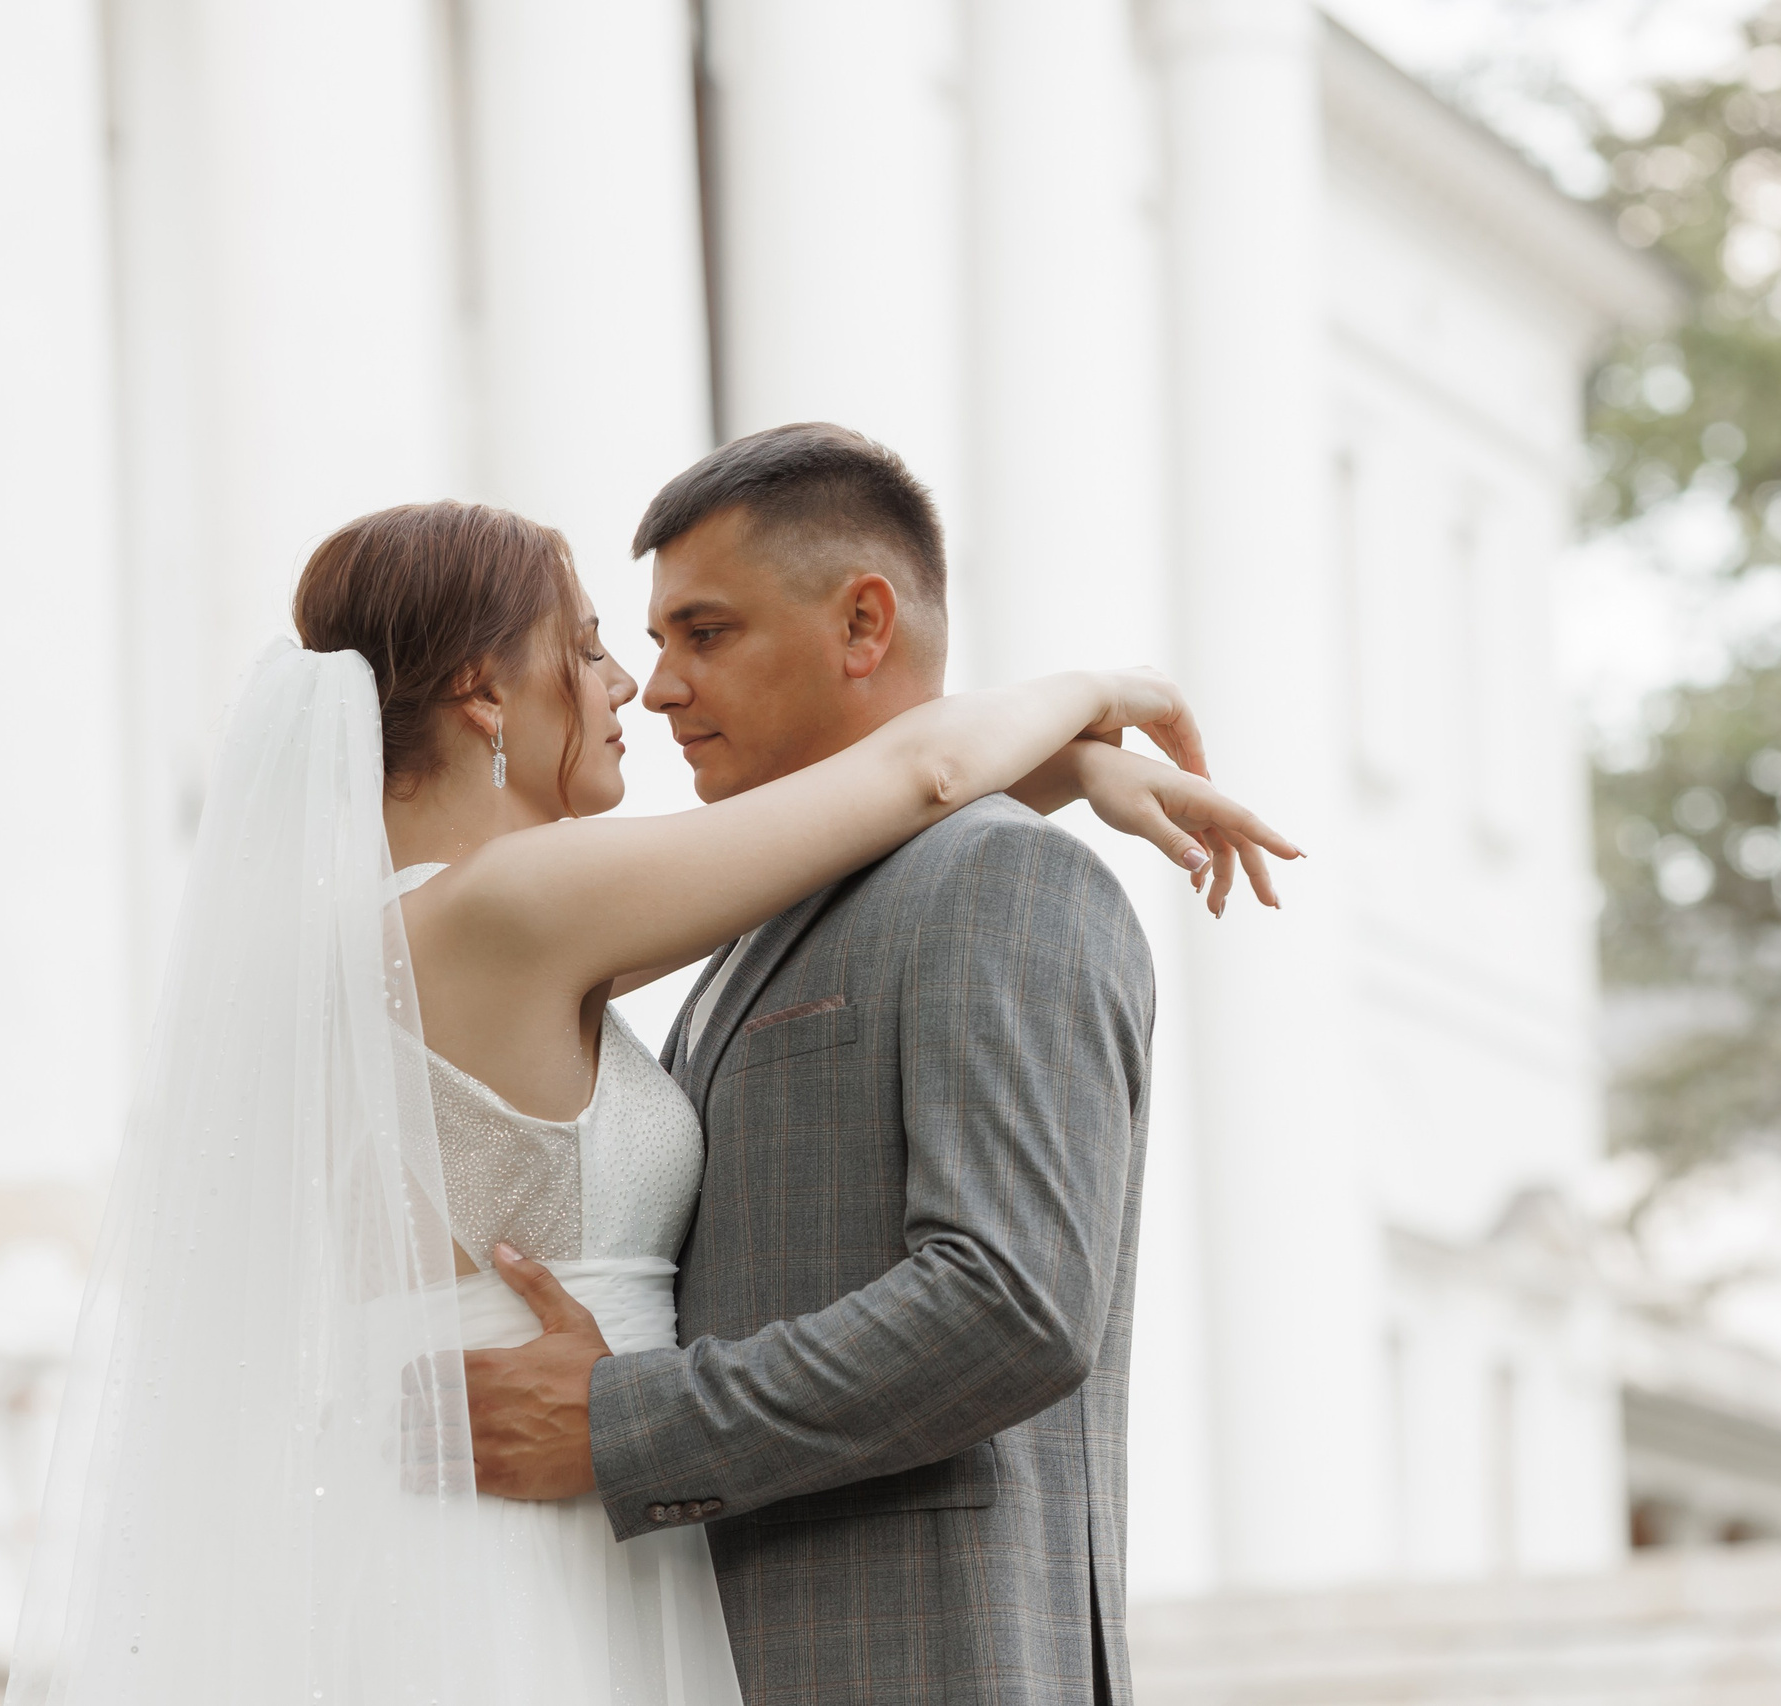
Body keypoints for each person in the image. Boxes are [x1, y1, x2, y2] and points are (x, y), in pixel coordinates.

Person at [6, 470, 1292, 1706]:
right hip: (526, 1566)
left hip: (475, 1540)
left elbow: (835, 845)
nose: (632, 683)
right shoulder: (509, 906)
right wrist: (1103, 695)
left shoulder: (425, 936)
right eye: (586, 647)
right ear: (480, 692)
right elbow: (921, 778)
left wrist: (1072, 775)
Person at [461, 423, 1260, 1705]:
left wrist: (623, 1425)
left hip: (922, 1656)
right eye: (651, 642)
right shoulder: (756, 919)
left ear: (862, 625)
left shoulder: (1004, 876)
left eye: (702, 633)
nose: (657, 687)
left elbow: (1008, 1300)